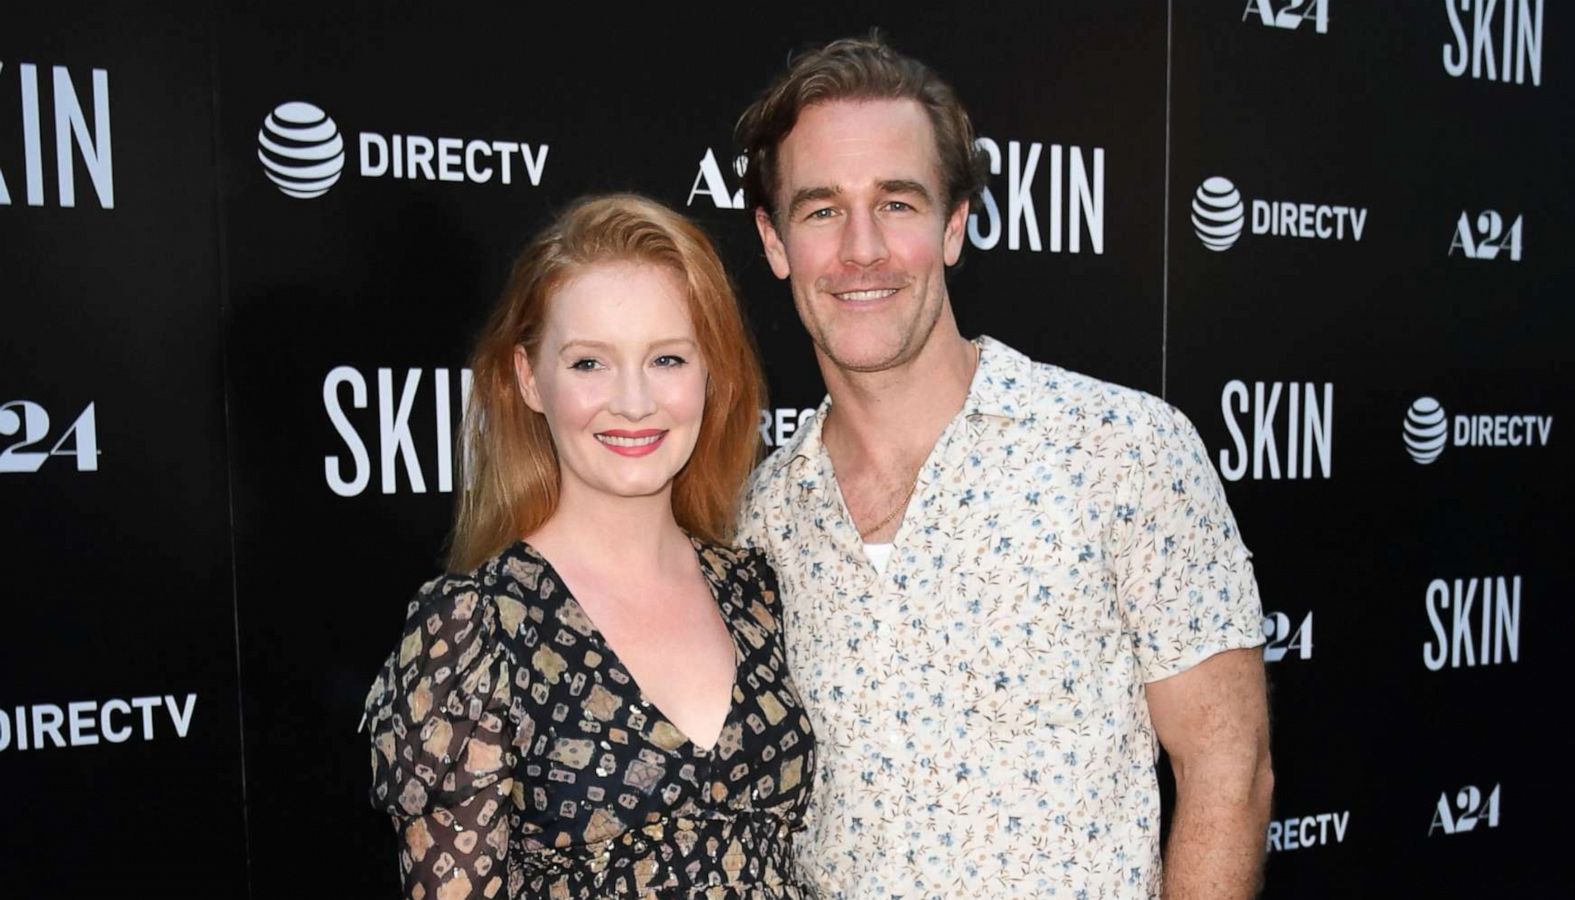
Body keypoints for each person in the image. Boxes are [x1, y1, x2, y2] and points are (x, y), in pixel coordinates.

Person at [733, 36, 1273, 898]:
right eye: (822, 209)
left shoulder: (1123, 450)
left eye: (898, 204)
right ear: (774, 240)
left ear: (954, 225)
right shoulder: (755, 519)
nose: (861, 249)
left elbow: (1229, 773)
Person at [362, 194, 815, 898]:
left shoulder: (755, 588)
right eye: (588, 364)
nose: (633, 402)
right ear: (528, 378)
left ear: (711, 374)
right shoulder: (477, 627)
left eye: (666, 358)